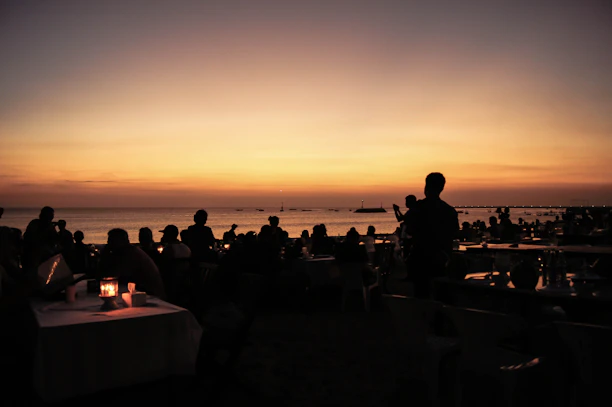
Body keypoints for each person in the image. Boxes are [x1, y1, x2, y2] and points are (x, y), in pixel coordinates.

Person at [404, 173, 459, 298]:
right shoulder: (449, 210)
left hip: (420, 258)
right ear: (442, 188)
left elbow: (409, 230)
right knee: (441, 295)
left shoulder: (417, 209)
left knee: (421, 296)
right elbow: (455, 232)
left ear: (426, 187)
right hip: (442, 258)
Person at [98, 228, 166, 299]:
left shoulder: (130, 254)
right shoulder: (128, 252)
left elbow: (112, 275)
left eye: (111, 241)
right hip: (142, 292)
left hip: (150, 296)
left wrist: (104, 255)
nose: (108, 243)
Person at [22, 206, 59, 273]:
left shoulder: (50, 226)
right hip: (34, 255)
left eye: (52, 215)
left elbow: (55, 238)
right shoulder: (35, 223)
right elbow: (31, 237)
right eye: (50, 214)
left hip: (47, 255)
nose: (52, 216)